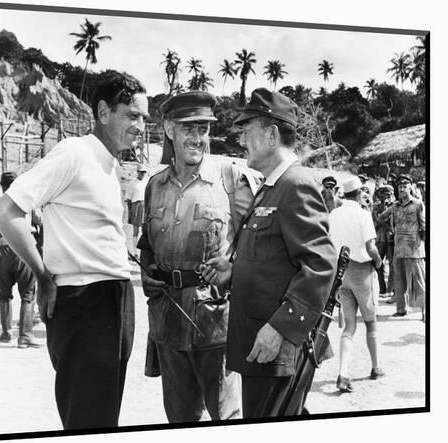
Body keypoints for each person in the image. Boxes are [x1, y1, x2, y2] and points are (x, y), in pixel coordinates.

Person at [0, 70, 148, 430]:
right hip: (85, 300)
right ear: (104, 112)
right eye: (132, 115)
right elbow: (5, 211)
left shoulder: (109, 164)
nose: (140, 126)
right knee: (88, 419)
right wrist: (44, 278)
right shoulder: (75, 153)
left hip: (113, 297)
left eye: (144, 117)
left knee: (103, 415)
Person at [202, 87, 336, 417]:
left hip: (275, 346)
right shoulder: (273, 186)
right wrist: (234, 270)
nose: (242, 140)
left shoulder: (295, 184)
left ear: (271, 134)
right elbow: (276, 259)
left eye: (247, 131)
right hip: (260, 345)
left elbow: (320, 264)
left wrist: (280, 327)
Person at [138, 91, 257, 423]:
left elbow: (260, 242)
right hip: (167, 321)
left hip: (215, 322)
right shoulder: (154, 186)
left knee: (226, 416)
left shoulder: (230, 178)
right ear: (169, 130)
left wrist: (234, 269)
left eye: (203, 128)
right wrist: (148, 269)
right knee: (179, 419)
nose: (197, 138)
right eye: (188, 128)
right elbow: (146, 243)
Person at [329, 177, 386, 393]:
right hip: (363, 272)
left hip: (342, 272)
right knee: (371, 323)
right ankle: (376, 367)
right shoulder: (363, 215)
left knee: (349, 326)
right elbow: (371, 247)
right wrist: (379, 261)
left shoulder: (334, 214)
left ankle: (343, 373)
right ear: (360, 192)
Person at [0, 171, 41, 348]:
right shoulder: (29, 201)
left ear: (1, 187)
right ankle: (25, 336)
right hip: (24, 249)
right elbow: (41, 223)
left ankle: (6, 333)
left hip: (3, 250)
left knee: (4, 294)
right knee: (28, 294)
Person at [378, 174, 426, 320]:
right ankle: (401, 309)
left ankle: (425, 312)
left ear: (411, 187)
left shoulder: (418, 204)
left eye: (405, 186)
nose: (402, 189)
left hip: (414, 250)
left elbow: (424, 225)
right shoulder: (395, 206)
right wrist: (391, 229)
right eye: (400, 187)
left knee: (419, 282)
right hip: (398, 249)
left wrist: (420, 241)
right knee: (399, 282)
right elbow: (380, 218)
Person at [372, 184, 395, 296]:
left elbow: (393, 222)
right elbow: (376, 222)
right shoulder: (376, 207)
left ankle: (391, 288)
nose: (386, 197)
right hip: (379, 239)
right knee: (378, 263)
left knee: (392, 264)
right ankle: (382, 288)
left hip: (390, 239)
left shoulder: (394, 206)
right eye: (384, 194)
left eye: (388, 194)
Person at [125, 163, 149, 258]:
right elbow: (129, 199)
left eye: (144, 172)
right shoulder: (132, 184)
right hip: (136, 205)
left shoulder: (146, 182)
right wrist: (130, 213)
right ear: (137, 172)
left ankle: (143, 252)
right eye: (141, 172)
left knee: (144, 229)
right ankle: (135, 252)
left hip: (145, 205)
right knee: (135, 230)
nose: (143, 174)